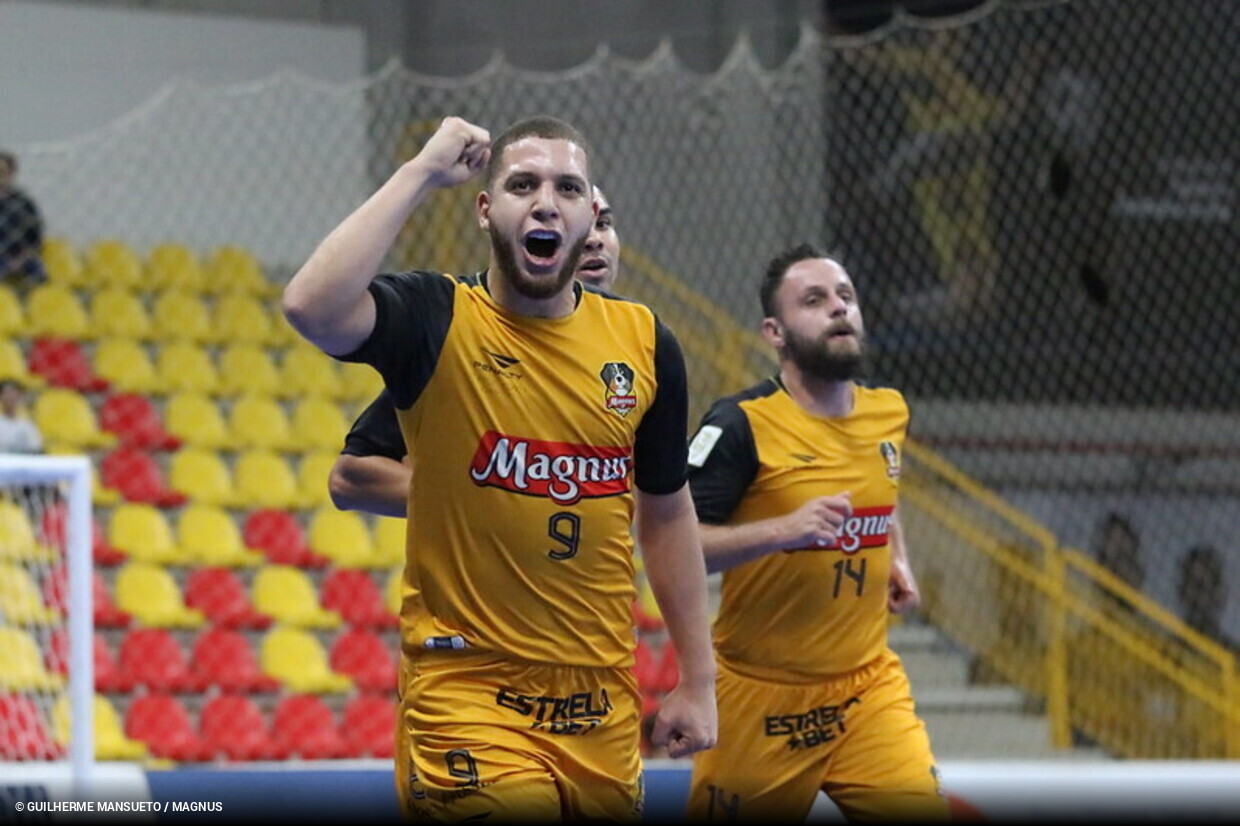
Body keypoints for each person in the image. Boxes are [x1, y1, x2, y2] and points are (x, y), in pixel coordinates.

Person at [281, 115, 716, 822]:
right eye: (522, 184)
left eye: (567, 188)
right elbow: (312, 306)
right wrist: (420, 171)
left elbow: (667, 512)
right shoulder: (437, 316)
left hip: (599, 701)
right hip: (468, 691)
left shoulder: (645, 343)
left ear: (589, 218)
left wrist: (698, 679)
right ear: (487, 210)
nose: (546, 201)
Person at [682, 243, 949, 822]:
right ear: (774, 332)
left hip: (866, 688)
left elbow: (882, 488)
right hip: (759, 697)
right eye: (815, 299)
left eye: (846, 297)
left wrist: (895, 558)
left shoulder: (889, 412)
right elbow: (675, 547)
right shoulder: (739, 425)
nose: (838, 309)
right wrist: (782, 531)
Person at [327, 185, 623, 517]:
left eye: (603, 223)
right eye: (575, 224)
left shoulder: (640, 348)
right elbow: (349, 480)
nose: (594, 238)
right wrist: (497, 505)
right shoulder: (470, 343)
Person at [0, 151, 47, 291]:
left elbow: (35, 235)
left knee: (40, 277)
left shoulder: (24, 203)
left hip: (21, 257)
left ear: (11, 173)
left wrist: (21, 258)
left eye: (4, 171)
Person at [0, 380, 43, 454]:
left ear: (19, 397)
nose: (10, 397)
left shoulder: (27, 425)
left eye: (13, 394)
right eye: (6, 394)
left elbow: (36, 449)